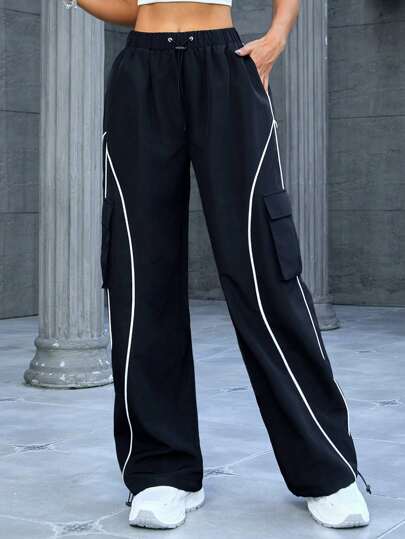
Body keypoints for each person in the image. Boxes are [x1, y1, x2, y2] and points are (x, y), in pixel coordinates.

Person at [67, 0, 370, 530]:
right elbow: (127, 7)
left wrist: (278, 34)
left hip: (225, 65)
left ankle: (326, 469)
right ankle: (163, 472)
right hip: (141, 72)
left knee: (264, 263)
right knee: (140, 270)